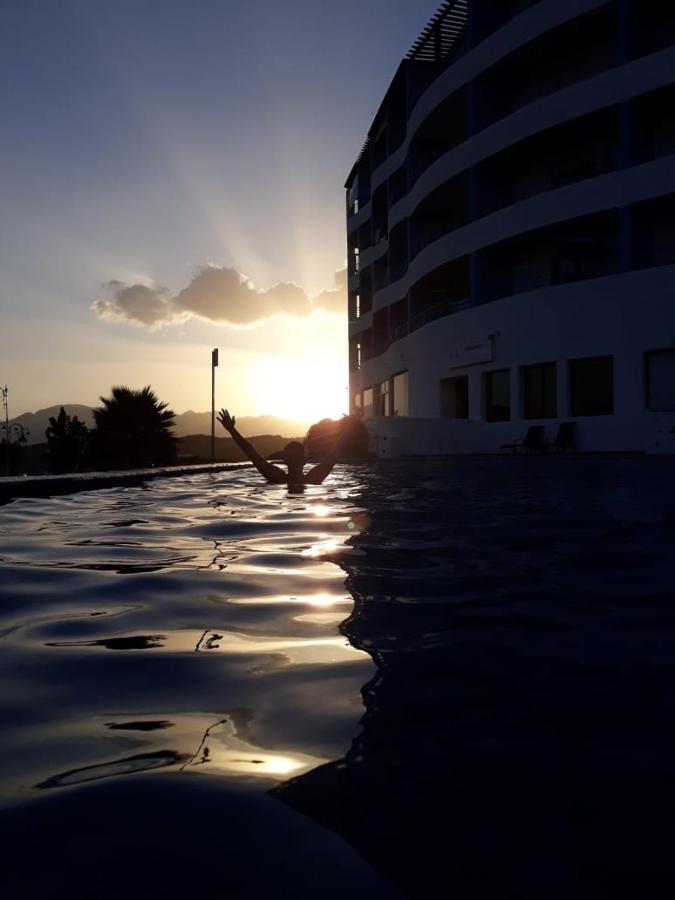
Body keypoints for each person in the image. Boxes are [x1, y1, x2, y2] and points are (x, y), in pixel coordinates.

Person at [217, 409, 354, 491]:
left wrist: (349, 427)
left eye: (297, 457)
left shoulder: (309, 478)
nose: (294, 460)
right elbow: (252, 454)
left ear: (304, 460)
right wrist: (232, 430)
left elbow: (334, 454)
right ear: (285, 461)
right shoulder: (281, 477)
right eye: (292, 457)